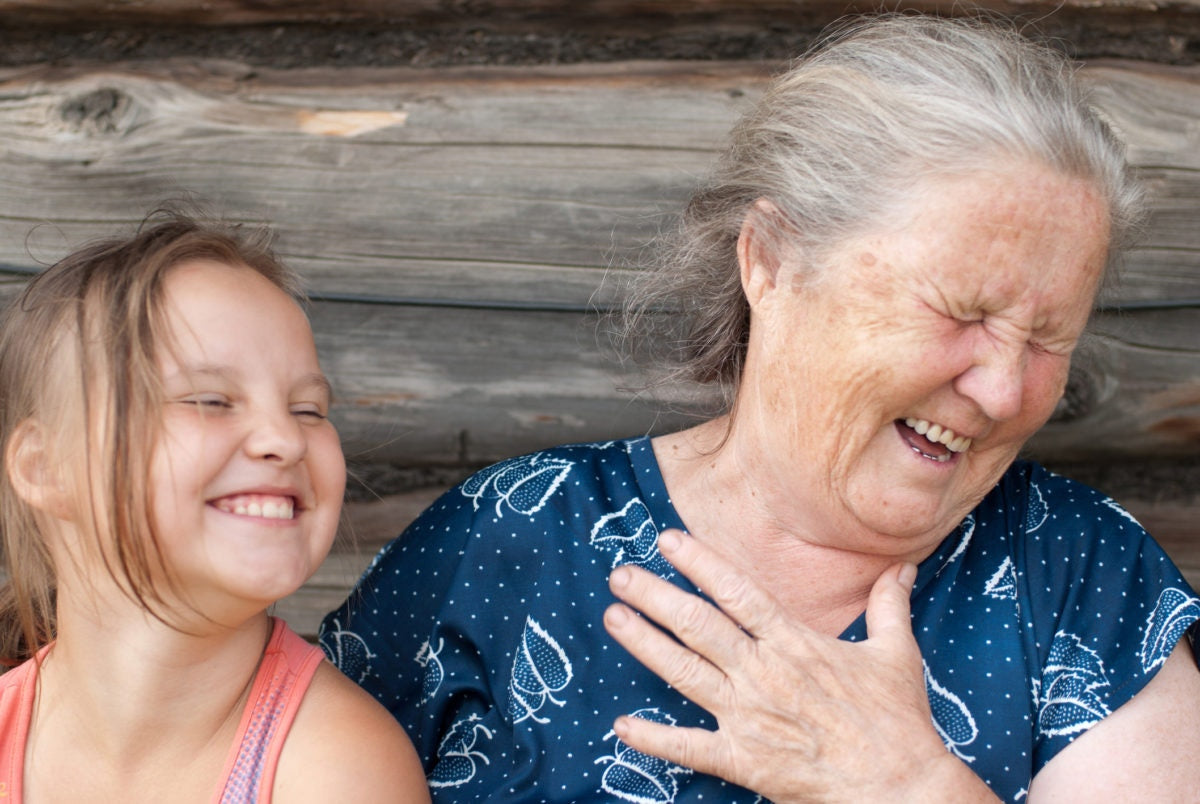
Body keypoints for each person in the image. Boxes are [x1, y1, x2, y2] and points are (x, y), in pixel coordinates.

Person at [321, 13, 1200, 802]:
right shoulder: (507, 538)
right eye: (962, 312)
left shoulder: (1086, 581)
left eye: (1050, 339)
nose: (1005, 390)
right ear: (772, 261)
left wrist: (907, 787)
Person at [0, 211, 430, 802]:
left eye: (309, 409)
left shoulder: (337, 768)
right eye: (210, 400)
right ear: (44, 468)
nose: (284, 437)